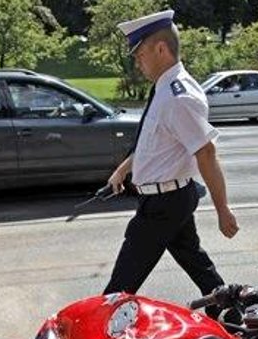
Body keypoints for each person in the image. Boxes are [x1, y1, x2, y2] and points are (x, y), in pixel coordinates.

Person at [103, 9, 238, 306]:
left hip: (163, 204)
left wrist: (223, 210)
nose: (137, 63)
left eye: (139, 55)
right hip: (168, 198)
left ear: (161, 49)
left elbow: (206, 153)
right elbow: (155, 144)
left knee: (120, 286)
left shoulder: (179, 97)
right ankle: (233, 315)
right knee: (199, 267)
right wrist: (123, 170)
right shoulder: (165, 88)